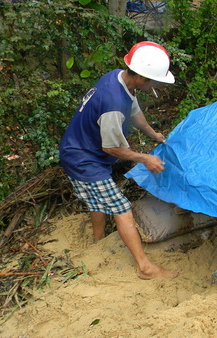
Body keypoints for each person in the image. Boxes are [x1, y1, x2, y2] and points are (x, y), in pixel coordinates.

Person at [59, 41, 176, 279]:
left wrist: (152, 134)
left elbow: (134, 112)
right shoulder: (111, 103)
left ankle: (98, 242)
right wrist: (145, 158)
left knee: (97, 201)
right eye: (153, 81)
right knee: (122, 208)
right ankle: (145, 267)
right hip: (83, 159)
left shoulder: (119, 78)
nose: (154, 85)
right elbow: (111, 147)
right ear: (142, 77)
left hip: (81, 149)